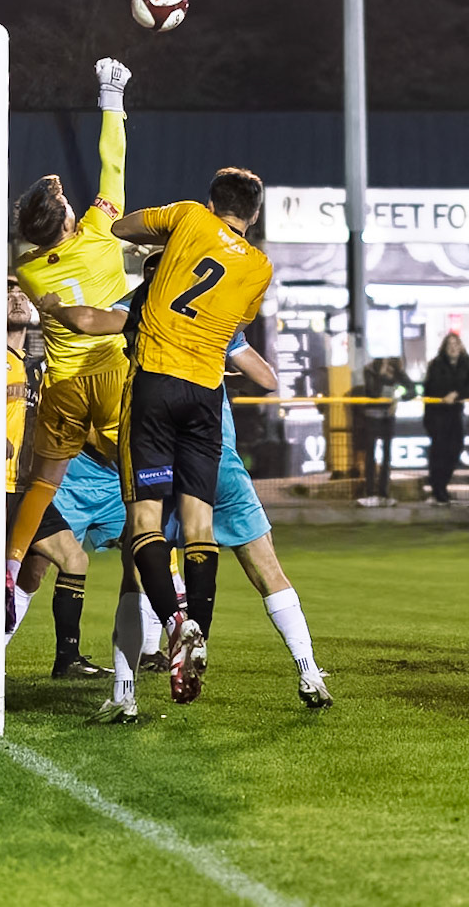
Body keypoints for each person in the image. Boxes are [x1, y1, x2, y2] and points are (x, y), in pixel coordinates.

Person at [41, 250, 333, 720]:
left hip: (158, 451)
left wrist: (52, 306)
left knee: (136, 571)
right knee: (266, 570)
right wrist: (222, 360)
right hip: (218, 461)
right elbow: (267, 377)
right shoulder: (214, 315)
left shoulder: (141, 305)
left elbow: (90, 321)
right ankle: (309, 671)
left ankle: (126, 693)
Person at [107, 167, 273, 704]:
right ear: (253, 214)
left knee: (144, 522)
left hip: (155, 380)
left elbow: (123, 229)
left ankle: (176, 624)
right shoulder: (260, 267)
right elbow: (234, 325)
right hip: (206, 394)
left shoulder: (187, 217)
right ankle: (197, 634)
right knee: (200, 524)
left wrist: (157, 237)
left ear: (212, 201)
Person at [6, 59, 134, 610]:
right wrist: (111, 97)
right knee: (142, 481)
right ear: (66, 219)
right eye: (65, 205)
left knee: (43, 482)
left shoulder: (32, 272)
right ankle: (170, 590)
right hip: (110, 372)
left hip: (60, 386)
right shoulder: (102, 233)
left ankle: (9, 576)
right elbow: (113, 162)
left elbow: (42, 243)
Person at [0, 286, 103, 678]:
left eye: (22, 293)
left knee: (60, 563)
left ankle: (61, 658)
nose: (18, 298)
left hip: (31, 488)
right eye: (7, 293)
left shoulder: (39, 367)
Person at [422, 333, 469, 504]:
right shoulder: (436, 364)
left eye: (456, 344)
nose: (453, 347)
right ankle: (438, 489)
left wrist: (457, 394)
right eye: (450, 344)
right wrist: (446, 395)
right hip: (437, 414)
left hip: (455, 413)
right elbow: (432, 386)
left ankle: (442, 487)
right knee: (439, 453)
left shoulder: (468, 363)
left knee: (455, 450)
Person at [355, 357, 414, 507]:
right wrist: (382, 376)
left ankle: (383, 493)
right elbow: (373, 392)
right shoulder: (370, 369)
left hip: (388, 419)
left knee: (387, 456)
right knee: (370, 456)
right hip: (371, 418)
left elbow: (412, 390)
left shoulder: (396, 368)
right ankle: (370, 493)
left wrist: (398, 398)